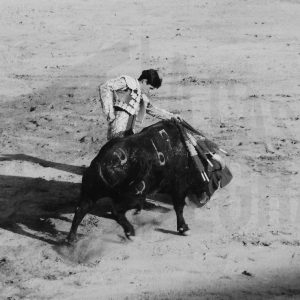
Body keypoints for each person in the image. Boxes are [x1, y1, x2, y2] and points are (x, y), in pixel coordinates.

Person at [99, 69, 180, 140]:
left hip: (129, 133)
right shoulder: (128, 82)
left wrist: (171, 116)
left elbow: (153, 110)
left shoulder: (142, 97)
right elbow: (105, 86)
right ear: (144, 81)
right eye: (150, 88)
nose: (150, 91)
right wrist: (109, 113)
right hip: (117, 131)